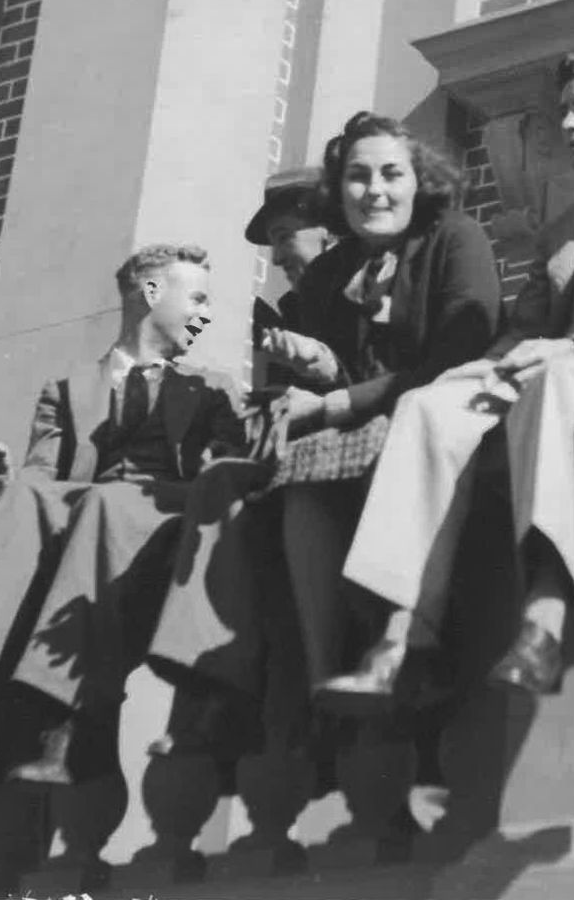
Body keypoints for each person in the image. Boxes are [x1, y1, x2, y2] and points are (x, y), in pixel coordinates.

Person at [317, 52, 574, 712]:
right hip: (547, 366)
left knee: (557, 381)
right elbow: (528, 323)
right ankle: (402, 639)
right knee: (428, 405)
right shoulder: (564, 227)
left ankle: (541, 623)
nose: (566, 122)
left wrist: (566, 345)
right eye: (561, 110)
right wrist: (486, 361)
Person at [0, 244, 264, 787]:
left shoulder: (214, 387)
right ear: (150, 293)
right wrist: (0, 477)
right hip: (82, 511)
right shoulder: (66, 390)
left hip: (165, 513)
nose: (206, 313)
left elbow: (226, 470)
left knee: (98, 503)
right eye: (198, 298)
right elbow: (40, 481)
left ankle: (28, 705)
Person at [147, 113, 500, 719]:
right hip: (350, 424)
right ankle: (276, 678)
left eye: (392, 174)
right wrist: (316, 368)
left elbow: (458, 352)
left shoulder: (455, 238)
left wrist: (338, 397)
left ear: (420, 181)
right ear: (339, 194)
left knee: (322, 456)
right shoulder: (334, 275)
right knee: (246, 476)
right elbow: (326, 374)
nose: (375, 191)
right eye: (358, 178)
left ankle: (373, 654)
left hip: (432, 413)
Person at [244, 166, 334, 388]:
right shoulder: (284, 323)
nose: (275, 258)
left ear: (330, 232)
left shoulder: (372, 307)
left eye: (284, 237)